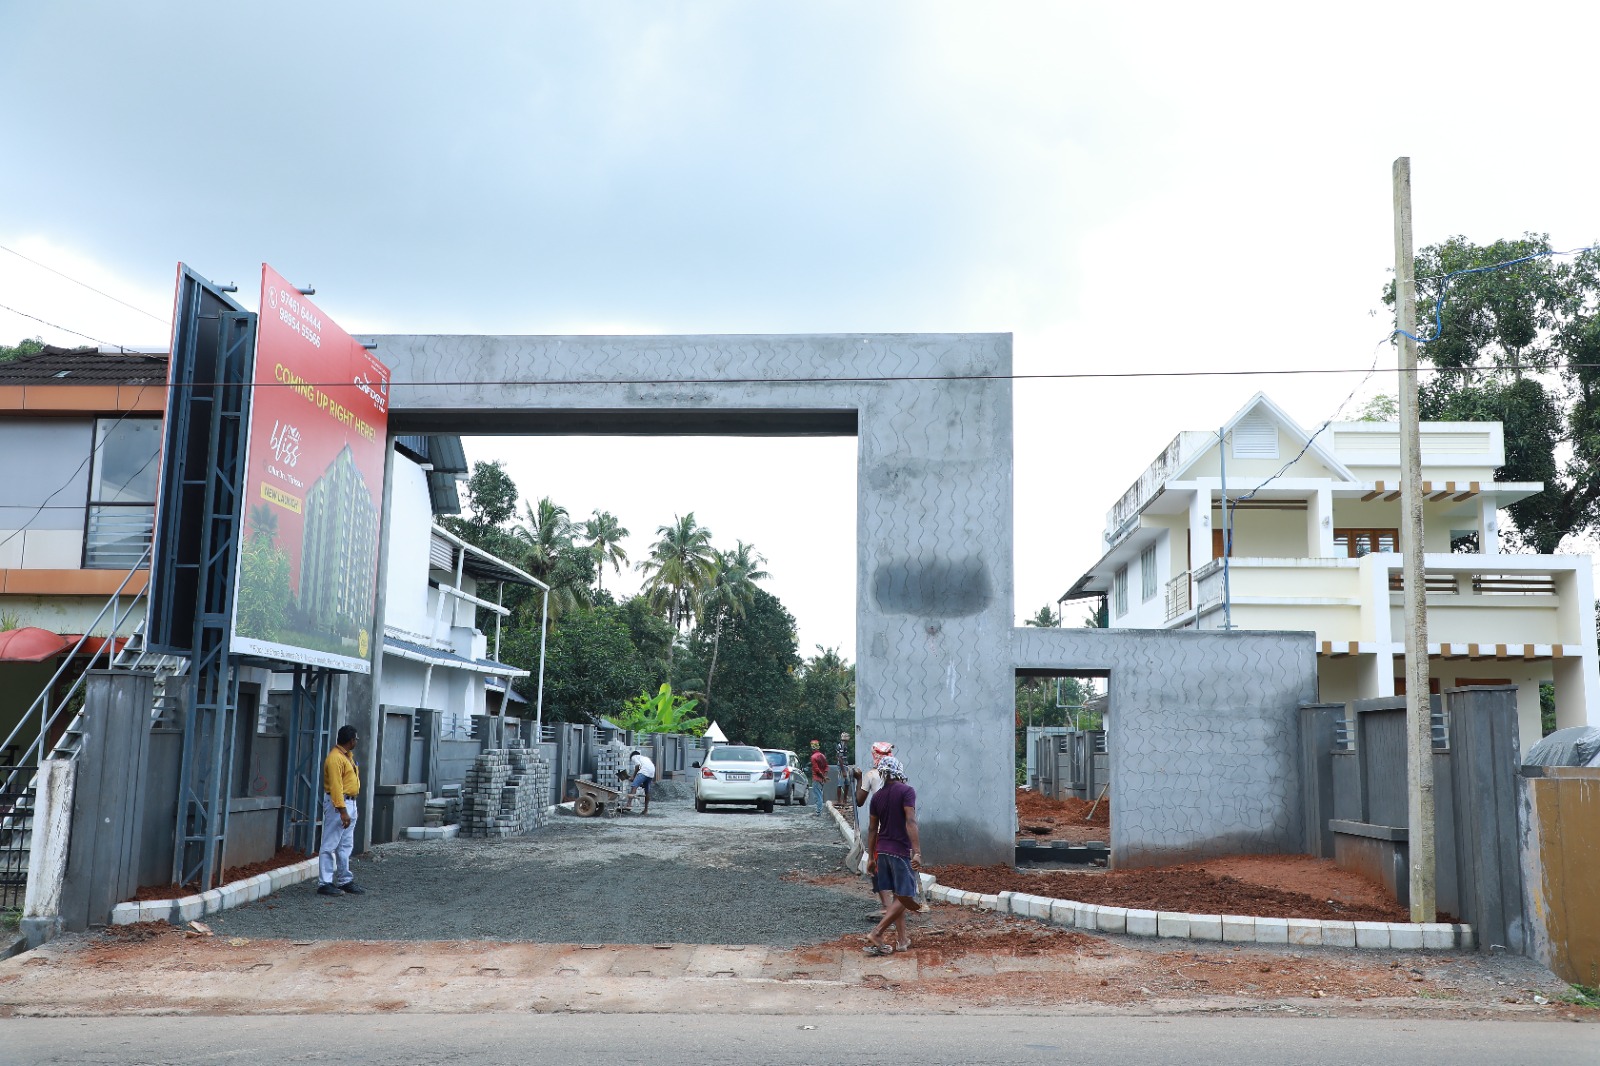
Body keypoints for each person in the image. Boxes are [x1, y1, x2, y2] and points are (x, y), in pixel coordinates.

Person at [864, 756, 924, 955]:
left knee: (899, 896)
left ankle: (902, 940)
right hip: (899, 851)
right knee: (906, 896)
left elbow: (872, 829)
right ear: (899, 771)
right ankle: (877, 932)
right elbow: (910, 821)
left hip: (882, 851)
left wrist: (871, 857)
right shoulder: (907, 791)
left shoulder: (877, 797)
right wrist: (917, 852)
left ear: (882, 773)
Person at [317, 725, 365, 896]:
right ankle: (324, 882)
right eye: (356, 739)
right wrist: (342, 810)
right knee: (330, 844)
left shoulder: (346, 756)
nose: (356, 742)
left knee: (345, 844)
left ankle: (345, 880)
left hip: (349, 802)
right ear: (351, 740)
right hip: (339, 804)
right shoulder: (335, 758)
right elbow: (336, 787)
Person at [849, 741, 896, 906]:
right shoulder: (898, 775)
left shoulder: (871, 775)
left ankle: (887, 907)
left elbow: (859, 800)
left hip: (881, 829)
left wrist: (858, 778)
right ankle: (896, 906)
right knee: (896, 867)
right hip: (898, 829)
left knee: (876, 867)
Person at [627, 748, 656, 815]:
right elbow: (646, 769)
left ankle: (628, 804)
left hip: (644, 771)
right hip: (651, 773)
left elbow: (637, 765)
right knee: (647, 791)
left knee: (634, 786)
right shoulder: (645, 758)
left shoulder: (634, 757)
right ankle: (646, 810)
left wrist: (633, 777)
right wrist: (641, 783)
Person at [807, 740, 829, 817]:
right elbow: (826, 767)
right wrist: (824, 776)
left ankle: (818, 812)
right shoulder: (822, 756)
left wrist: (823, 777)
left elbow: (816, 769)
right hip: (821, 779)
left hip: (816, 778)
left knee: (817, 795)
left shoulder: (813, 757)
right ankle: (818, 811)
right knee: (819, 794)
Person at [834, 731, 852, 805]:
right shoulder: (841, 746)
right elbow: (840, 758)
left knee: (847, 783)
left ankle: (845, 799)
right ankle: (839, 800)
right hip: (842, 766)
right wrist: (843, 770)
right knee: (840, 783)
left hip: (845, 765)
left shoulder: (845, 746)